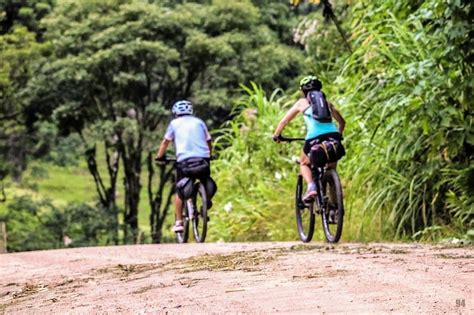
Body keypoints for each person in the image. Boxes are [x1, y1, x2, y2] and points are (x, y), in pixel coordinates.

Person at [273, 75, 345, 203]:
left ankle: (311, 186)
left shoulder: (301, 103)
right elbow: (342, 122)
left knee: (304, 163)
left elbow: (284, 121)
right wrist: (338, 136)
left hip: (314, 138)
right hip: (333, 137)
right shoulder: (327, 103)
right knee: (331, 169)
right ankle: (335, 210)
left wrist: (277, 135)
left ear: (303, 91)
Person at [155, 100, 213, 232]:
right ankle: (206, 201)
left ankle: (179, 222)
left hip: (184, 162)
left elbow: (165, 142)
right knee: (205, 178)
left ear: (175, 113)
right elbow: (208, 141)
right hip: (202, 160)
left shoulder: (174, 124)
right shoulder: (199, 122)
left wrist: (160, 156)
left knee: (180, 191)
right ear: (191, 111)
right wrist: (210, 154)